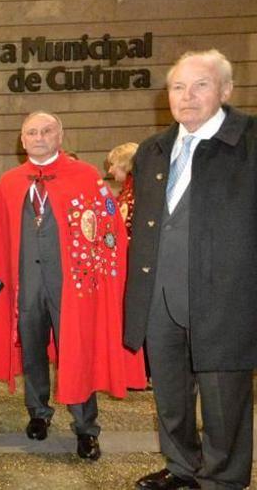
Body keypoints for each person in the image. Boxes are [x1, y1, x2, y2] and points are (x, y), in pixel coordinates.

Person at [0, 111, 145, 460]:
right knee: (33, 349)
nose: (39, 137)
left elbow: (110, 231)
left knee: (76, 351)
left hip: (74, 286)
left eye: (46, 131)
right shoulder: (10, 182)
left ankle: (86, 428)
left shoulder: (84, 177)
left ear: (60, 135)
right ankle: (38, 413)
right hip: (26, 284)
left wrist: (102, 281)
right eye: (32, 133)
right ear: (22, 141)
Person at [125, 49, 257, 490]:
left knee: (224, 402)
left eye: (201, 85)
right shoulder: (153, 151)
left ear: (225, 90)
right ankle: (182, 466)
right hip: (160, 298)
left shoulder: (250, 143)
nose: (188, 96)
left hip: (226, 299)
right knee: (171, 396)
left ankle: (222, 478)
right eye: (178, 87)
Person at [105, 142, 138, 238]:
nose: (110, 170)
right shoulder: (130, 190)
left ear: (124, 163)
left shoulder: (134, 192)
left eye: (112, 164)